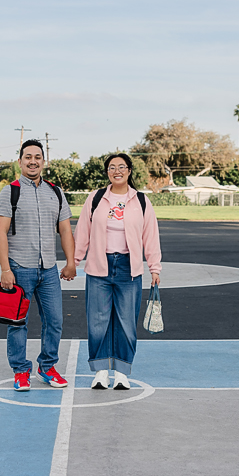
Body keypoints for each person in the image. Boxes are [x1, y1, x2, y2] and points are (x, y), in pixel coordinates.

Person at [0, 139, 77, 392]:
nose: (33, 161)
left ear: (44, 161)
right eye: (27, 157)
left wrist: (71, 262)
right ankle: (20, 371)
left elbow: (64, 230)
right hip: (19, 268)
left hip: (49, 269)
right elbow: (0, 233)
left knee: (54, 321)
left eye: (37, 157)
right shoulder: (10, 191)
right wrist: (6, 269)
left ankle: (47, 367)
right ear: (20, 161)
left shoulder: (55, 192)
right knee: (18, 322)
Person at [74, 153, 162, 390]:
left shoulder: (141, 200)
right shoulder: (96, 198)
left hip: (128, 269)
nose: (117, 171)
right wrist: (74, 260)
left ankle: (122, 373)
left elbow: (150, 236)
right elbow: (83, 231)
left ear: (129, 171)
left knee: (126, 322)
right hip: (99, 268)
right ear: (107, 173)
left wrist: (154, 267)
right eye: (112, 167)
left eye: (122, 166)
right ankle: (101, 372)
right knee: (98, 321)